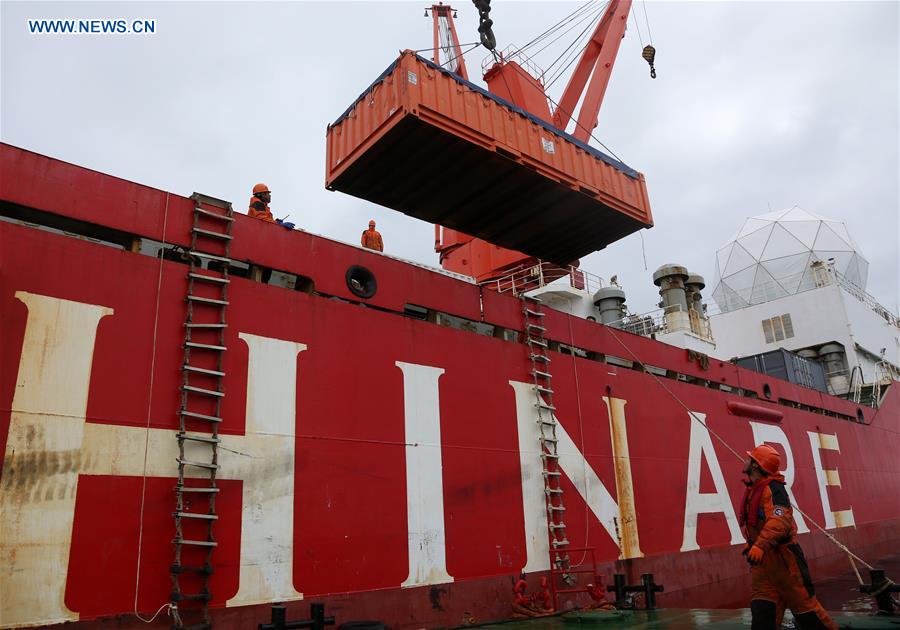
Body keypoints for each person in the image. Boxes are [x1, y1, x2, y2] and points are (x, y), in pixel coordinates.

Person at [741, 444, 837, 630]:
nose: (746, 460)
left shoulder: (774, 490)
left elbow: (780, 520)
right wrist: (753, 545)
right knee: (763, 611)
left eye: (750, 458)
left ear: (755, 465)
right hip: (763, 562)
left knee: (807, 612)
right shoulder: (756, 488)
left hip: (786, 561)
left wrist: (759, 545)